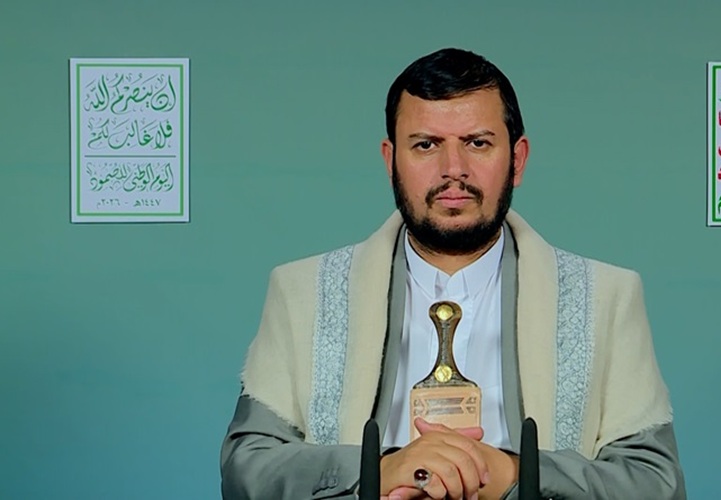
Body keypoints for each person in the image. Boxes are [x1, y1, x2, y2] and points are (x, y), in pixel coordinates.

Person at [220, 47, 686, 500]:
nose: (453, 170)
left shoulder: (605, 296)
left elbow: (657, 483)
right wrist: (378, 470)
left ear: (518, 159)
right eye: (426, 145)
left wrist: (512, 474)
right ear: (390, 161)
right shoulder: (304, 292)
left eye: (477, 143)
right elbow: (247, 469)